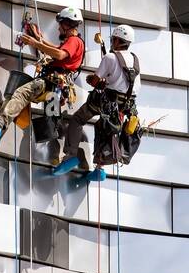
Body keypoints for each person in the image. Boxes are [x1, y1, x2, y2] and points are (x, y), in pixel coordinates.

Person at [52, 24, 141, 181]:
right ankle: (99, 171)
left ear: (118, 40)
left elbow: (94, 80)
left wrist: (93, 80)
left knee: (78, 119)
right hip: (127, 104)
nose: (112, 42)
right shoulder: (134, 59)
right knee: (106, 129)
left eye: (113, 39)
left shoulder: (110, 57)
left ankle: (71, 155)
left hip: (109, 101)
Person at [0, 8, 85, 142]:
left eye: (60, 24)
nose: (58, 28)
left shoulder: (74, 41)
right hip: (55, 87)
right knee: (26, 101)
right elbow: (56, 49)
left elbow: (59, 54)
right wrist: (38, 38)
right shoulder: (73, 42)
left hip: (50, 82)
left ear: (67, 24)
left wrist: (35, 43)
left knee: (20, 93)